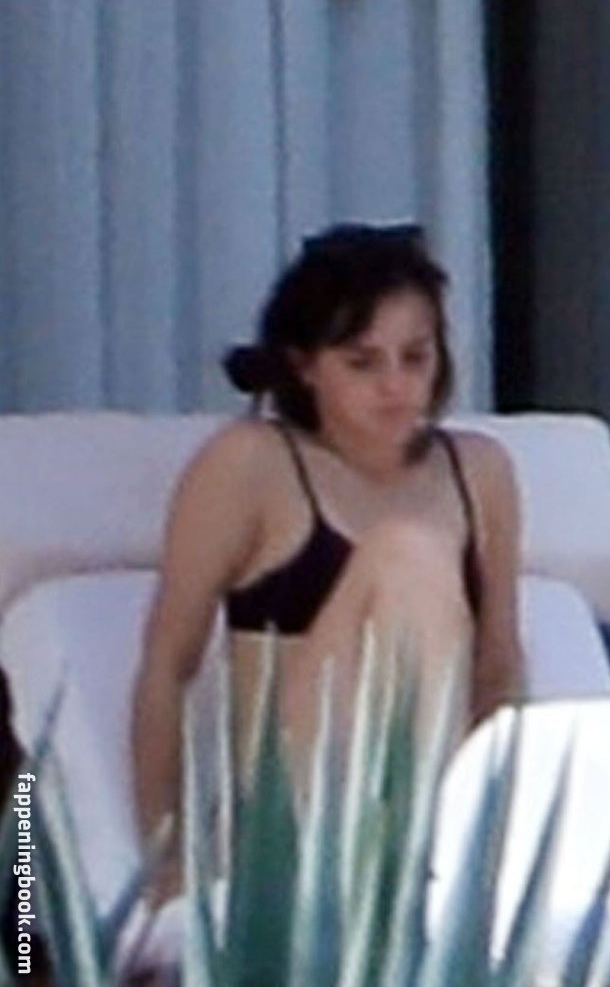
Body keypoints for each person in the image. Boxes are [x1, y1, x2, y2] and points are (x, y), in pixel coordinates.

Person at [131, 223, 524, 878]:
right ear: (304, 365)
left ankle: (441, 855)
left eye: (415, 357)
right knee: (405, 551)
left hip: (441, 810)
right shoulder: (250, 464)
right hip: (293, 817)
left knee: (417, 558)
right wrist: (163, 863)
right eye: (362, 363)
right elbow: (167, 666)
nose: (395, 386)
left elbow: (497, 671)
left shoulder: (481, 472)